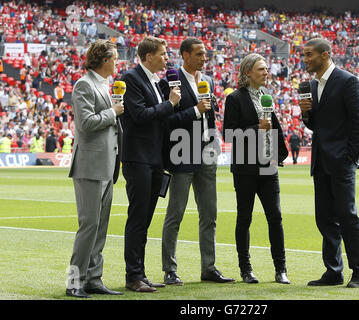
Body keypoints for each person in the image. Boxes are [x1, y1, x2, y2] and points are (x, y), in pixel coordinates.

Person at [159, 37, 235, 286]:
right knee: (175, 214)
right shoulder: (169, 81)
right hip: (182, 152)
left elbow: (209, 116)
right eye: (199, 54)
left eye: (205, 54)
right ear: (185, 55)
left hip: (206, 152)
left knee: (209, 214)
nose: (204, 58)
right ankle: (169, 269)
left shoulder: (208, 80)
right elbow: (166, 120)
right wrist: (195, 111)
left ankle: (208, 268)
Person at [299, 38, 359, 288]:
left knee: (347, 216)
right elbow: (315, 125)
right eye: (304, 55)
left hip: (341, 162)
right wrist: (306, 113)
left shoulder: (347, 80)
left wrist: (349, 156)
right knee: (324, 218)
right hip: (321, 161)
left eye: (309, 55)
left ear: (325, 55)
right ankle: (333, 271)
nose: (305, 59)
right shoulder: (311, 85)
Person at [120, 36, 181, 293]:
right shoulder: (131, 78)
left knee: (145, 219)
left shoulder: (157, 81)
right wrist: (170, 104)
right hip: (138, 158)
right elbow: (140, 115)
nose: (167, 58)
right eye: (163, 54)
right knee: (137, 217)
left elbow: (162, 119)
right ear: (148, 57)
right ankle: (133, 275)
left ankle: (141, 273)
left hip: (154, 159)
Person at [223, 53, 290, 284]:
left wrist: (279, 155)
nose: (266, 72)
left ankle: (281, 269)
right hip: (245, 168)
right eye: (261, 69)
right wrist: (257, 128)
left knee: (276, 217)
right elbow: (228, 133)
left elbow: (275, 129)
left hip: (267, 165)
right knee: (245, 218)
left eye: (266, 69)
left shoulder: (265, 96)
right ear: (248, 72)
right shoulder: (234, 99)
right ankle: (246, 269)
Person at [66, 39, 124, 298]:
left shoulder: (103, 84)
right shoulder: (83, 84)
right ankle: (73, 282)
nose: (117, 62)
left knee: (100, 227)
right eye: (114, 58)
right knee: (89, 225)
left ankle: (93, 279)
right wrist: (113, 112)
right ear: (103, 60)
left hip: (106, 165)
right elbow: (86, 122)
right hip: (89, 166)